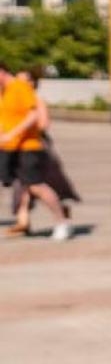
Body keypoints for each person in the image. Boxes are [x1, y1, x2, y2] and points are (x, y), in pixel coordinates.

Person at [0, 61, 72, 241]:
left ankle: (62, 222)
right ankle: (23, 222)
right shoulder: (6, 92)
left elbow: (33, 115)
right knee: (22, 188)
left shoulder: (19, 87)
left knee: (36, 186)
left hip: (28, 148)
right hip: (11, 149)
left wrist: (11, 134)